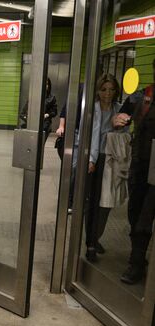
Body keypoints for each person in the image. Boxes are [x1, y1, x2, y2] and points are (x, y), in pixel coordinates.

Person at [113, 58, 155, 285]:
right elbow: (119, 117)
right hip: (140, 166)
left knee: (144, 218)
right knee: (136, 214)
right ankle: (137, 258)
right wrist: (119, 120)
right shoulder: (143, 96)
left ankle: (136, 261)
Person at [84, 74, 123, 262]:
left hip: (111, 160)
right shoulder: (94, 109)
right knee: (93, 203)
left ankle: (95, 237)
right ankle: (90, 243)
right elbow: (89, 135)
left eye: (112, 89)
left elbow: (123, 138)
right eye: (104, 89)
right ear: (98, 91)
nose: (108, 93)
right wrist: (90, 160)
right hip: (96, 160)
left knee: (106, 204)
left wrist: (119, 126)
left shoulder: (119, 109)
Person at [19, 78, 58, 143]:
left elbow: (54, 112)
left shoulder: (52, 98)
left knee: (40, 144)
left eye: (47, 84)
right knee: (30, 144)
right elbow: (22, 113)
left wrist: (47, 115)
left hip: (44, 125)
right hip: (32, 125)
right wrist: (28, 118)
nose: (46, 85)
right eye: (44, 84)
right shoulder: (33, 96)